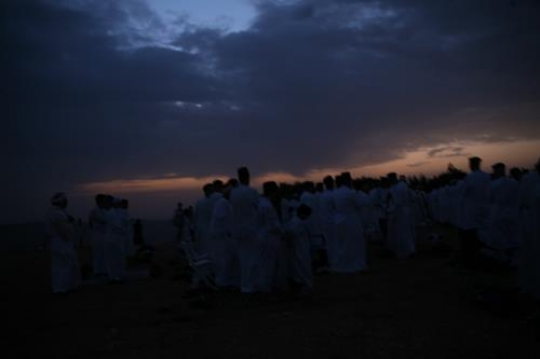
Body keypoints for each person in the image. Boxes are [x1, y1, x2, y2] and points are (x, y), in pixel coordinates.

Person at [230, 167, 260, 293]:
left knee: (242, 258)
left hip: (237, 230)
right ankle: (249, 285)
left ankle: (243, 284)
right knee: (252, 258)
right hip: (250, 229)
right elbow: (258, 208)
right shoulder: (252, 192)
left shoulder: (234, 193)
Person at [456, 156, 490, 268]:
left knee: (471, 235)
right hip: (485, 209)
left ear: (472, 164)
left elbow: (463, 194)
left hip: (471, 211)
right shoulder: (487, 177)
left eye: (469, 164)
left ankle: (472, 259)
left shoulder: (470, 178)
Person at [46, 192, 81, 294]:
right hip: (62, 242)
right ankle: (62, 288)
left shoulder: (52, 213)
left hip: (58, 242)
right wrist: (71, 224)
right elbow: (64, 231)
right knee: (64, 266)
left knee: (60, 266)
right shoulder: (58, 214)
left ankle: (63, 287)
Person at [386, 173, 416, 259]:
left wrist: (389, 210)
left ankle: (408, 250)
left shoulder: (399, 187)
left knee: (403, 232)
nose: (388, 181)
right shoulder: (399, 186)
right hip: (403, 211)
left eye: (389, 179)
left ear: (392, 178)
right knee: (405, 231)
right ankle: (408, 249)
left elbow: (397, 203)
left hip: (400, 212)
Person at [284, 204, 313, 292]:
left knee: (300, 266)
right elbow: (290, 234)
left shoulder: (294, 221)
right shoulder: (297, 223)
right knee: (302, 266)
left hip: (299, 247)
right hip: (299, 248)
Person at [88, 194, 108, 276]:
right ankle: (98, 271)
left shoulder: (103, 210)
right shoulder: (95, 211)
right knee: (98, 253)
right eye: (104, 200)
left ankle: (104, 270)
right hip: (98, 234)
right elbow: (105, 220)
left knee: (104, 253)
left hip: (103, 234)